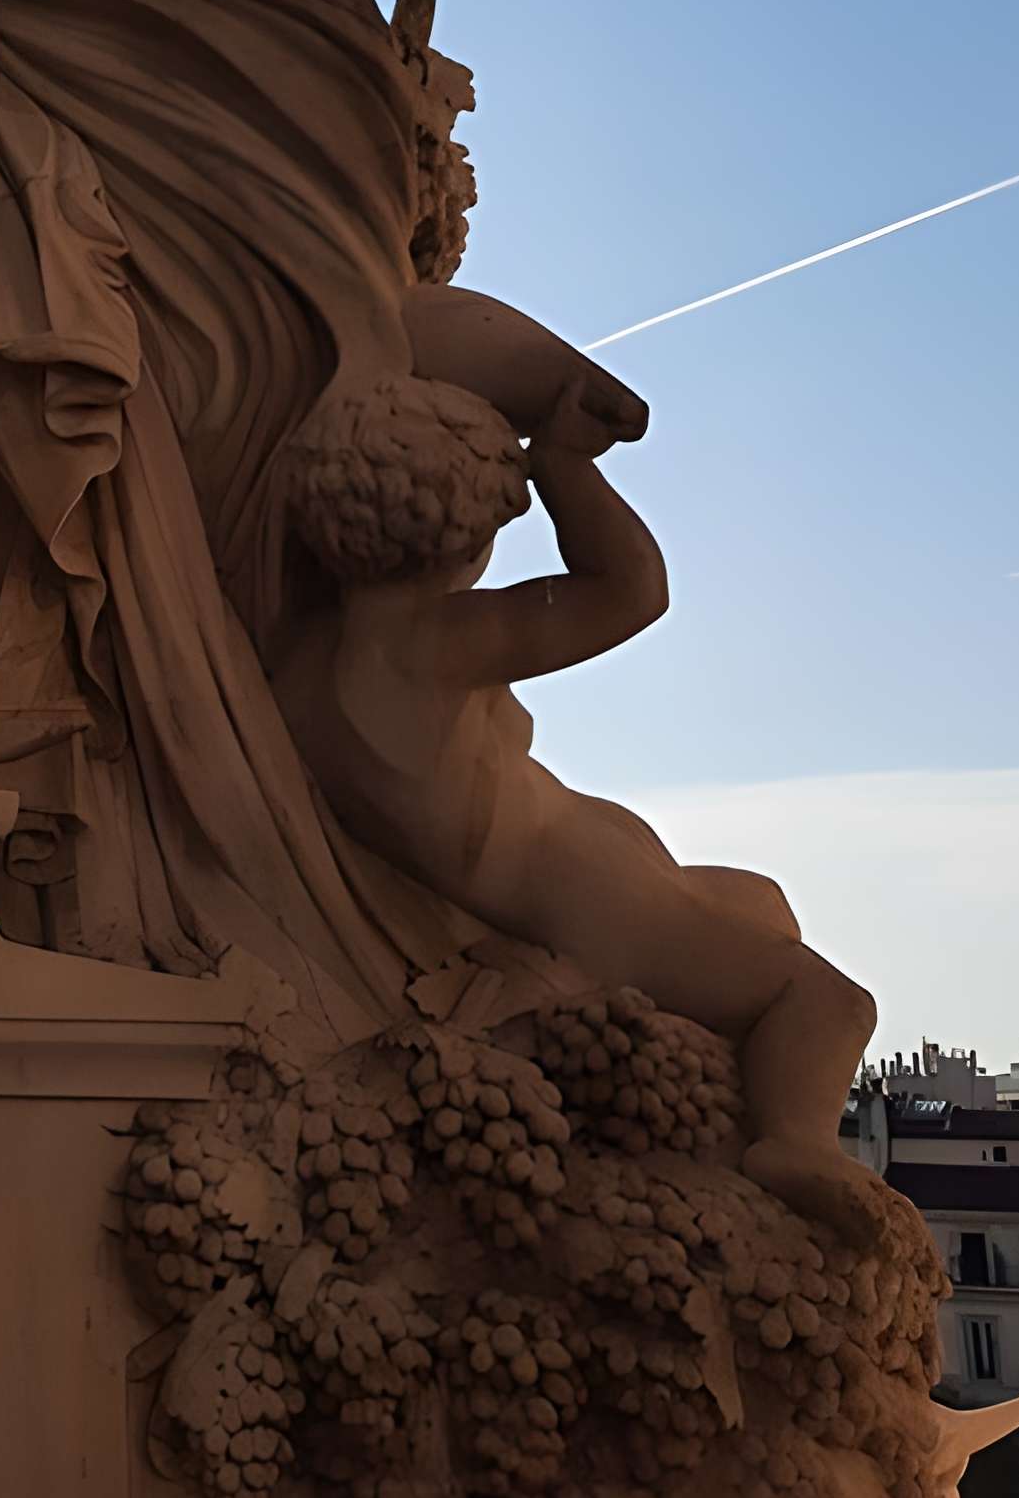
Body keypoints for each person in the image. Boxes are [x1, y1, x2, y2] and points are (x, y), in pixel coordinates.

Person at [267, 374, 882, 1225]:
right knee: (825, 1000)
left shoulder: (302, 666)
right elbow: (633, 591)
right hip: (586, 902)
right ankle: (795, 1143)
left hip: (583, 875)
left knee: (763, 902)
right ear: (463, 533)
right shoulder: (428, 645)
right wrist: (564, 466)